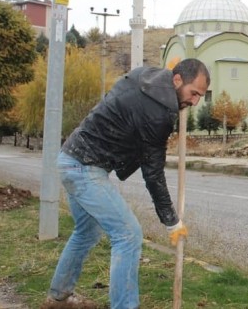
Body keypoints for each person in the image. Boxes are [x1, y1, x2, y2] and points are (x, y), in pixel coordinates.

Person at [43, 58, 210, 309]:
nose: (195, 102)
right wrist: (171, 221)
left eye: (200, 96)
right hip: (85, 167)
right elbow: (152, 174)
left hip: (70, 158)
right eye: (193, 93)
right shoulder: (159, 112)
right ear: (177, 80)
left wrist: (171, 78)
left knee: (86, 232)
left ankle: (59, 297)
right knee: (128, 235)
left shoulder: (146, 77)